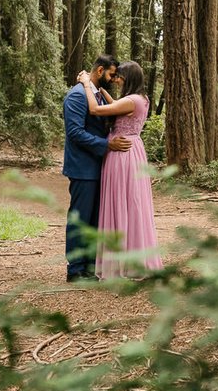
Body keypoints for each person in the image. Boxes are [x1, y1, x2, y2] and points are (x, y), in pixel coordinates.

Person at [78, 60, 162, 278]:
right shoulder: (141, 99)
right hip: (133, 150)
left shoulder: (132, 100)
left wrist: (87, 84)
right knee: (131, 202)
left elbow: (95, 110)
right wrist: (104, 92)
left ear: (128, 78)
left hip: (122, 154)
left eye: (119, 77)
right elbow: (118, 105)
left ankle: (122, 264)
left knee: (120, 202)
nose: (116, 80)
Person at [62, 54, 130, 282]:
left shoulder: (96, 95)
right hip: (82, 168)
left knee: (94, 220)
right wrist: (106, 144)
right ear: (100, 71)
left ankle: (90, 265)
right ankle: (75, 269)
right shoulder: (77, 96)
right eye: (111, 74)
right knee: (80, 218)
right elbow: (75, 133)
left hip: (99, 167)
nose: (113, 78)